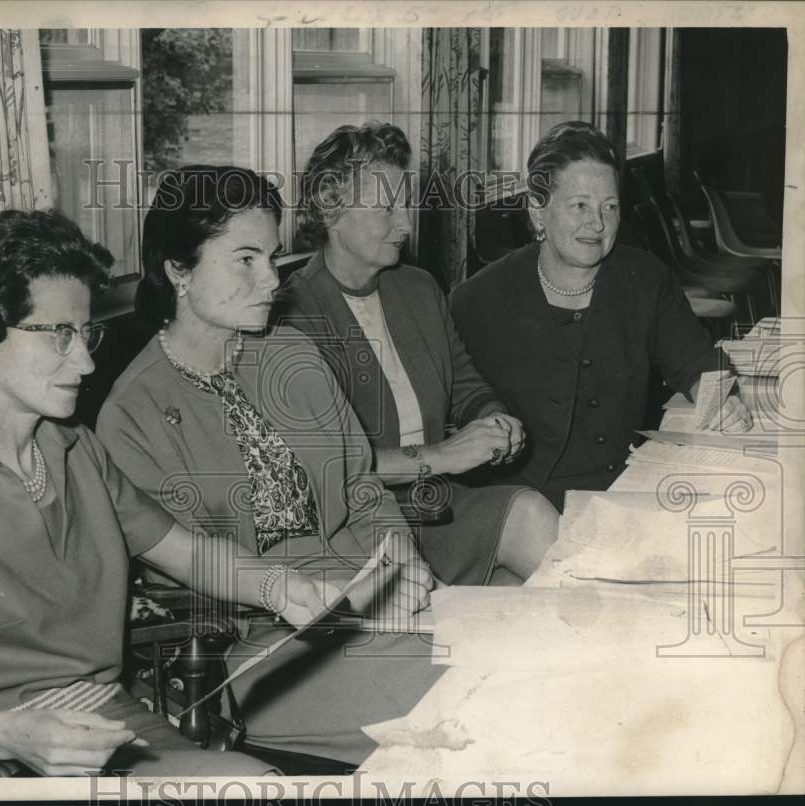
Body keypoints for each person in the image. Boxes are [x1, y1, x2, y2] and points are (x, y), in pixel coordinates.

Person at [0, 209, 332, 777]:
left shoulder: (76, 448)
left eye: (85, 335)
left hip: (108, 719)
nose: (84, 361)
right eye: (60, 336)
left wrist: (278, 585)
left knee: (262, 786)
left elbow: (184, 552)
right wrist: (11, 736)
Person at [97, 166, 446, 766]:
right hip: (259, 650)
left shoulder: (288, 351)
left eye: (274, 258)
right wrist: (352, 602)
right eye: (246, 260)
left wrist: (401, 563)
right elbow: (197, 579)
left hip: (370, 596)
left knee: (513, 665)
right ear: (177, 270)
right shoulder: (133, 415)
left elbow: (361, 484)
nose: (271, 281)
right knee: (460, 704)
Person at [282, 122, 558, 586]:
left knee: (535, 525)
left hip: (438, 507)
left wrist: (491, 418)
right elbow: (330, 463)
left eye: (404, 206)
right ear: (330, 208)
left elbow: (465, 383)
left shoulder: (418, 287)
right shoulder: (292, 318)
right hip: (357, 529)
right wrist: (444, 454)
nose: (406, 225)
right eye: (386, 209)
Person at [450, 121, 752, 511]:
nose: (597, 223)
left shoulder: (645, 279)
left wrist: (721, 400)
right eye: (579, 206)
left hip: (620, 489)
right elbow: (454, 404)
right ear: (538, 211)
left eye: (609, 207)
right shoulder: (477, 300)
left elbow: (697, 363)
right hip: (517, 506)